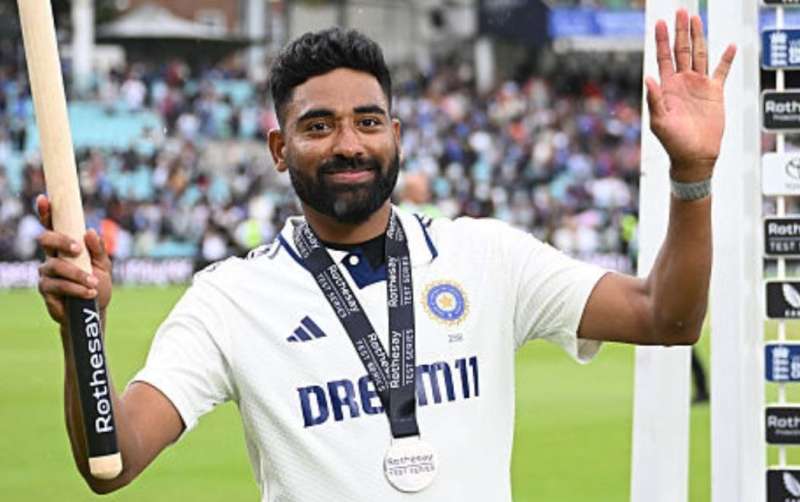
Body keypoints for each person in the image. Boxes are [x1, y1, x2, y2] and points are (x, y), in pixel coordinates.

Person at [36, 10, 735, 501]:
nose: (349, 144)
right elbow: (112, 461)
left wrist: (692, 175)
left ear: (395, 135)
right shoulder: (230, 299)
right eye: (318, 126)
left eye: (367, 122)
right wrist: (84, 329)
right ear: (280, 148)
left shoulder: (486, 256)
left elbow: (666, 317)